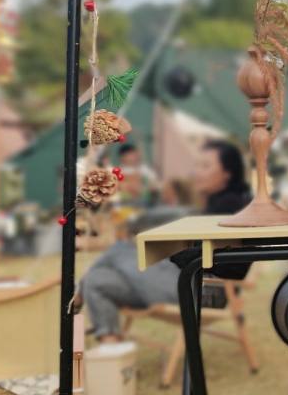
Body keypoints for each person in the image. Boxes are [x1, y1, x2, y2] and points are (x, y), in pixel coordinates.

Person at [76, 140, 252, 343]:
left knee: (121, 249)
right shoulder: (217, 203)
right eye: (197, 165)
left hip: (206, 290)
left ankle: (77, 295)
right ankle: (111, 348)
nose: (197, 172)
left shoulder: (230, 206)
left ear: (227, 173)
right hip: (185, 282)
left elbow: (228, 263)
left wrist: (168, 251)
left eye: (205, 166)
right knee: (98, 279)